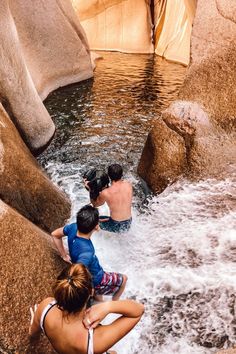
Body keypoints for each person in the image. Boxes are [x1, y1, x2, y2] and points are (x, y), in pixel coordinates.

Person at [29, 263, 144, 354]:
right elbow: (138, 311)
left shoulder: (45, 307)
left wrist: (38, 319)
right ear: (91, 292)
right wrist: (107, 306)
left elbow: (33, 334)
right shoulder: (94, 341)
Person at [51, 205, 127, 301]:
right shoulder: (87, 252)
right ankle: (114, 303)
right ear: (96, 227)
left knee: (99, 298)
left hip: (92, 276)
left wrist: (64, 255)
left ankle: (98, 299)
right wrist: (89, 288)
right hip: (98, 279)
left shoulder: (73, 227)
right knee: (124, 279)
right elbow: (77, 273)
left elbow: (55, 235)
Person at [91, 164, 133, 233]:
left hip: (115, 225)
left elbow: (95, 205)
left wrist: (91, 191)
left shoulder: (106, 193)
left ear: (109, 176)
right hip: (128, 223)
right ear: (121, 174)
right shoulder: (129, 185)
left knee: (91, 221)